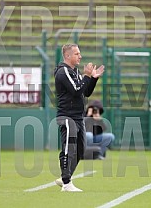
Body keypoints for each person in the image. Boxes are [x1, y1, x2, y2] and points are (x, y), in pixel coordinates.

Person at [54, 43, 104, 192]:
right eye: (77, 54)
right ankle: (66, 182)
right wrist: (86, 76)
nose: (80, 56)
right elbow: (76, 90)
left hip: (77, 116)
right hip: (67, 116)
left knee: (81, 150)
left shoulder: (74, 71)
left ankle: (65, 176)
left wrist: (93, 78)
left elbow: (85, 92)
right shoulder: (63, 71)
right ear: (68, 56)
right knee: (69, 147)